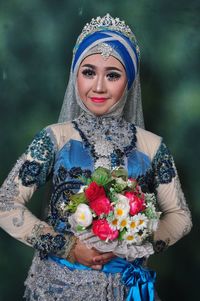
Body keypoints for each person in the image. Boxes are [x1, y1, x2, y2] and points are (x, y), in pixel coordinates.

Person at [0, 13, 192, 301]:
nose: (98, 86)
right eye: (88, 72)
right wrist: (67, 246)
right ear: (75, 75)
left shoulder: (152, 147)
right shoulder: (55, 138)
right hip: (57, 288)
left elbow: (181, 217)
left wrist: (135, 241)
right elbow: (6, 204)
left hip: (127, 289)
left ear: (129, 81)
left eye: (112, 75)